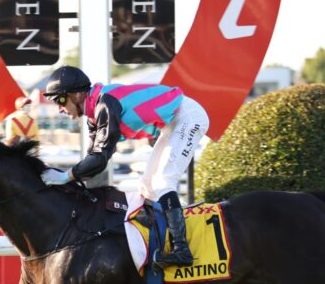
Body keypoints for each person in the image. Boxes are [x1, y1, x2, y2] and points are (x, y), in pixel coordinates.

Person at [39, 65, 209, 268]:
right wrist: (68, 181)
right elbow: (94, 161)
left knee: (163, 181)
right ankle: (158, 240)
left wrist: (66, 177)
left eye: (60, 99)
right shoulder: (94, 113)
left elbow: (100, 158)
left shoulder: (105, 104)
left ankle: (182, 250)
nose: (59, 108)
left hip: (187, 117)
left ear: (77, 94)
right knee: (147, 185)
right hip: (172, 123)